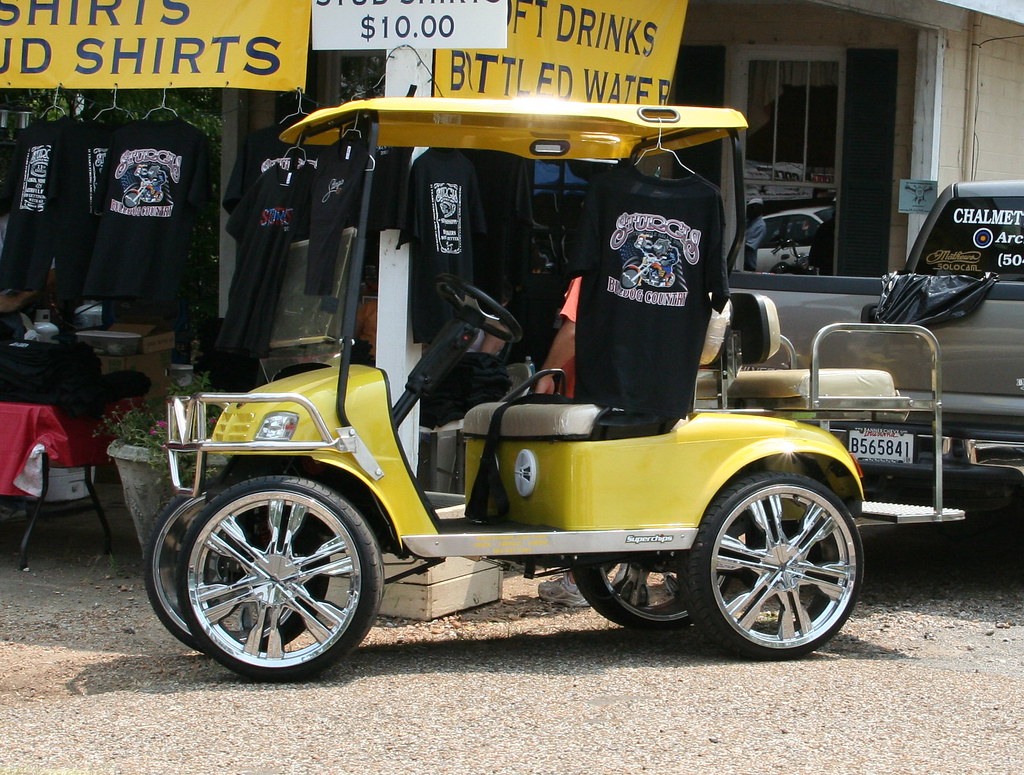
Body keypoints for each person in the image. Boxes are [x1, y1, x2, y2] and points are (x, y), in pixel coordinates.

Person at [533, 276, 589, 607]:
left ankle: (576, 578)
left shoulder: (591, 276)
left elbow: (573, 330)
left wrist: (547, 374)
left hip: (588, 394)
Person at [744, 197, 766, 271]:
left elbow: (750, 246)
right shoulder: (748, 222)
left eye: (754, 208)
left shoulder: (760, 226)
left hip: (748, 264)